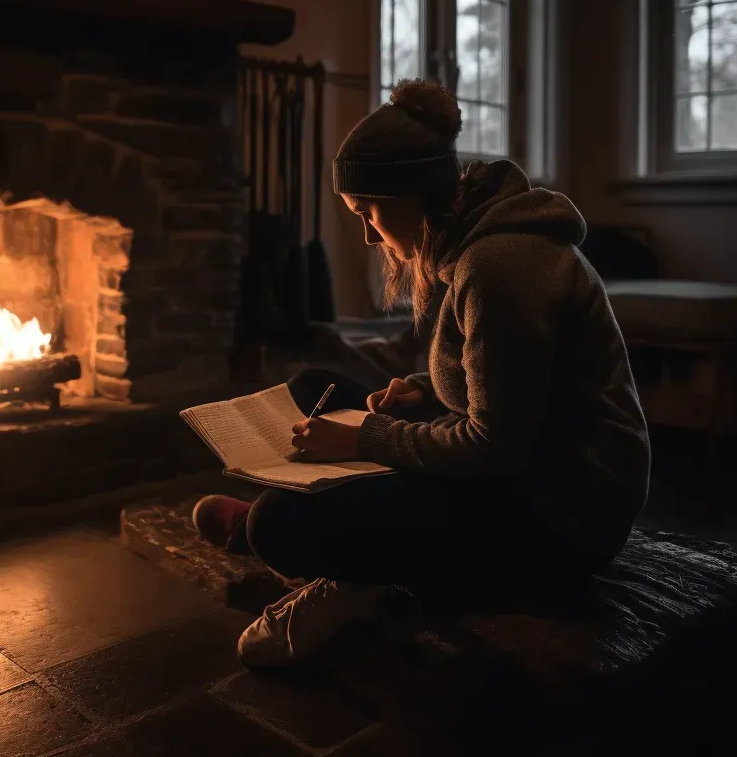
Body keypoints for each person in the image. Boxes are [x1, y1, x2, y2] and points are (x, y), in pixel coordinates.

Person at [194, 79, 651, 669]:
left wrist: (365, 438)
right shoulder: (468, 243)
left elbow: (496, 448)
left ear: (412, 192)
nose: (366, 232)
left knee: (277, 522)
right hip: (523, 467)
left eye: (368, 212)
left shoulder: (500, 266)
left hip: (561, 514)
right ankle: (334, 537)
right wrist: (425, 390)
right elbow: (512, 379)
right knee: (314, 389)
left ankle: (344, 573)